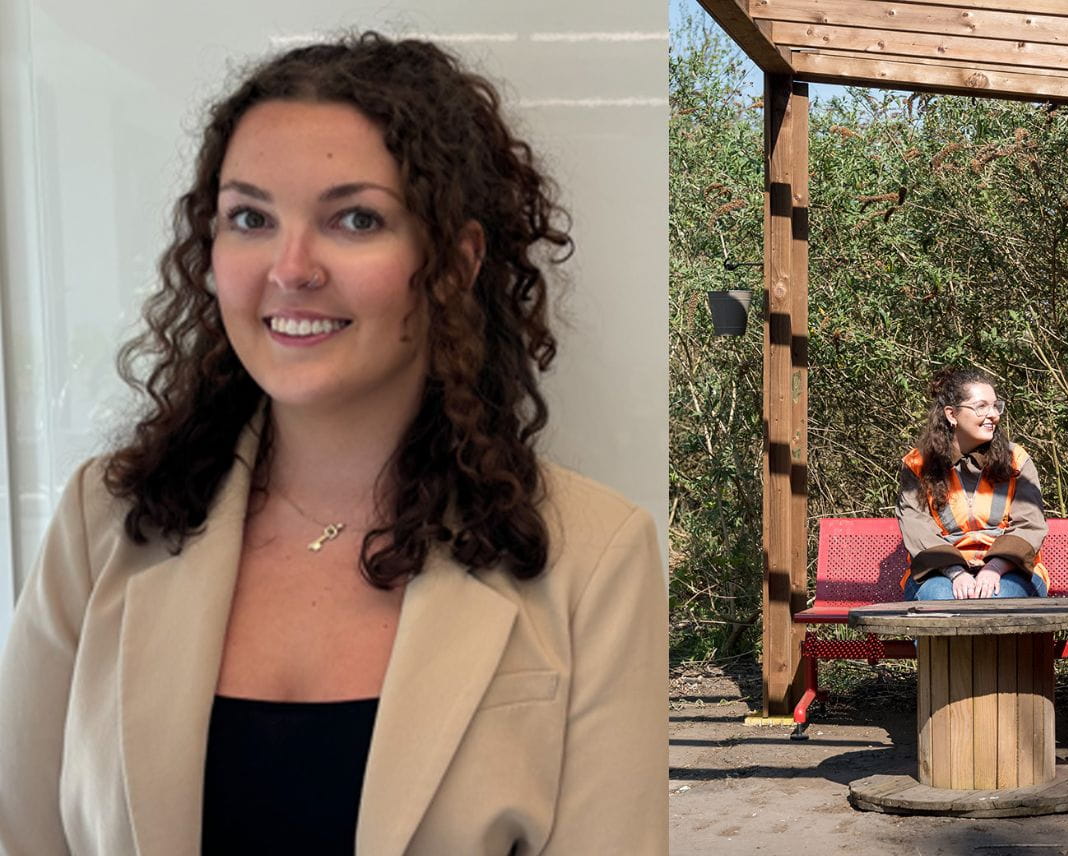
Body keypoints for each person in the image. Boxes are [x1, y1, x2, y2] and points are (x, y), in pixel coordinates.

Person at [0, 34, 666, 856]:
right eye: (250, 217)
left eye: (355, 219)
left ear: (455, 263)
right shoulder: (99, 526)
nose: (291, 267)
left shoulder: (595, 559)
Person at [897, 368, 1051, 600]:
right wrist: (956, 573)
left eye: (995, 406)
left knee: (997, 597)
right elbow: (917, 527)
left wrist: (994, 568)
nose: (993, 415)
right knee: (939, 598)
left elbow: (1030, 524)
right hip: (938, 573)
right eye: (981, 407)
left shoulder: (1017, 460)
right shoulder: (917, 465)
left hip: (1011, 570)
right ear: (952, 414)